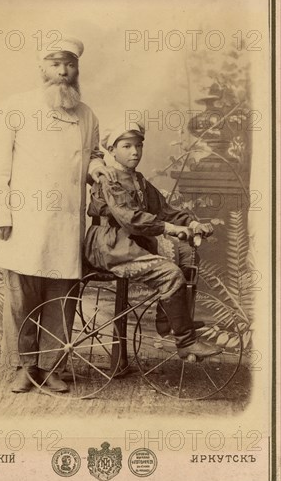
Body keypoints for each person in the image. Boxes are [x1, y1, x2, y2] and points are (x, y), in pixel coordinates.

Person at [0, 36, 115, 393]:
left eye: (69, 64)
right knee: (21, 297)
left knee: (61, 297)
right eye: (55, 64)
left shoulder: (87, 115)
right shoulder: (16, 106)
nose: (62, 71)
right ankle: (24, 367)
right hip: (23, 221)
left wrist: (98, 167)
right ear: (42, 68)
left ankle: (52, 366)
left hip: (66, 223)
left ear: (76, 70)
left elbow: (91, 156)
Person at [84, 121, 222, 359]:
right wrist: (169, 229)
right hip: (110, 246)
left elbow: (164, 209)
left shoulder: (138, 180)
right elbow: (130, 218)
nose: (135, 152)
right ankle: (186, 341)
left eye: (138, 146)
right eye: (126, 146)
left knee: (188, 254)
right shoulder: (109, 179)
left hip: (133, 243)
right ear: (112, 150)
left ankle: (168, 321)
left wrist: (192, 223)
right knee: (170, 273)